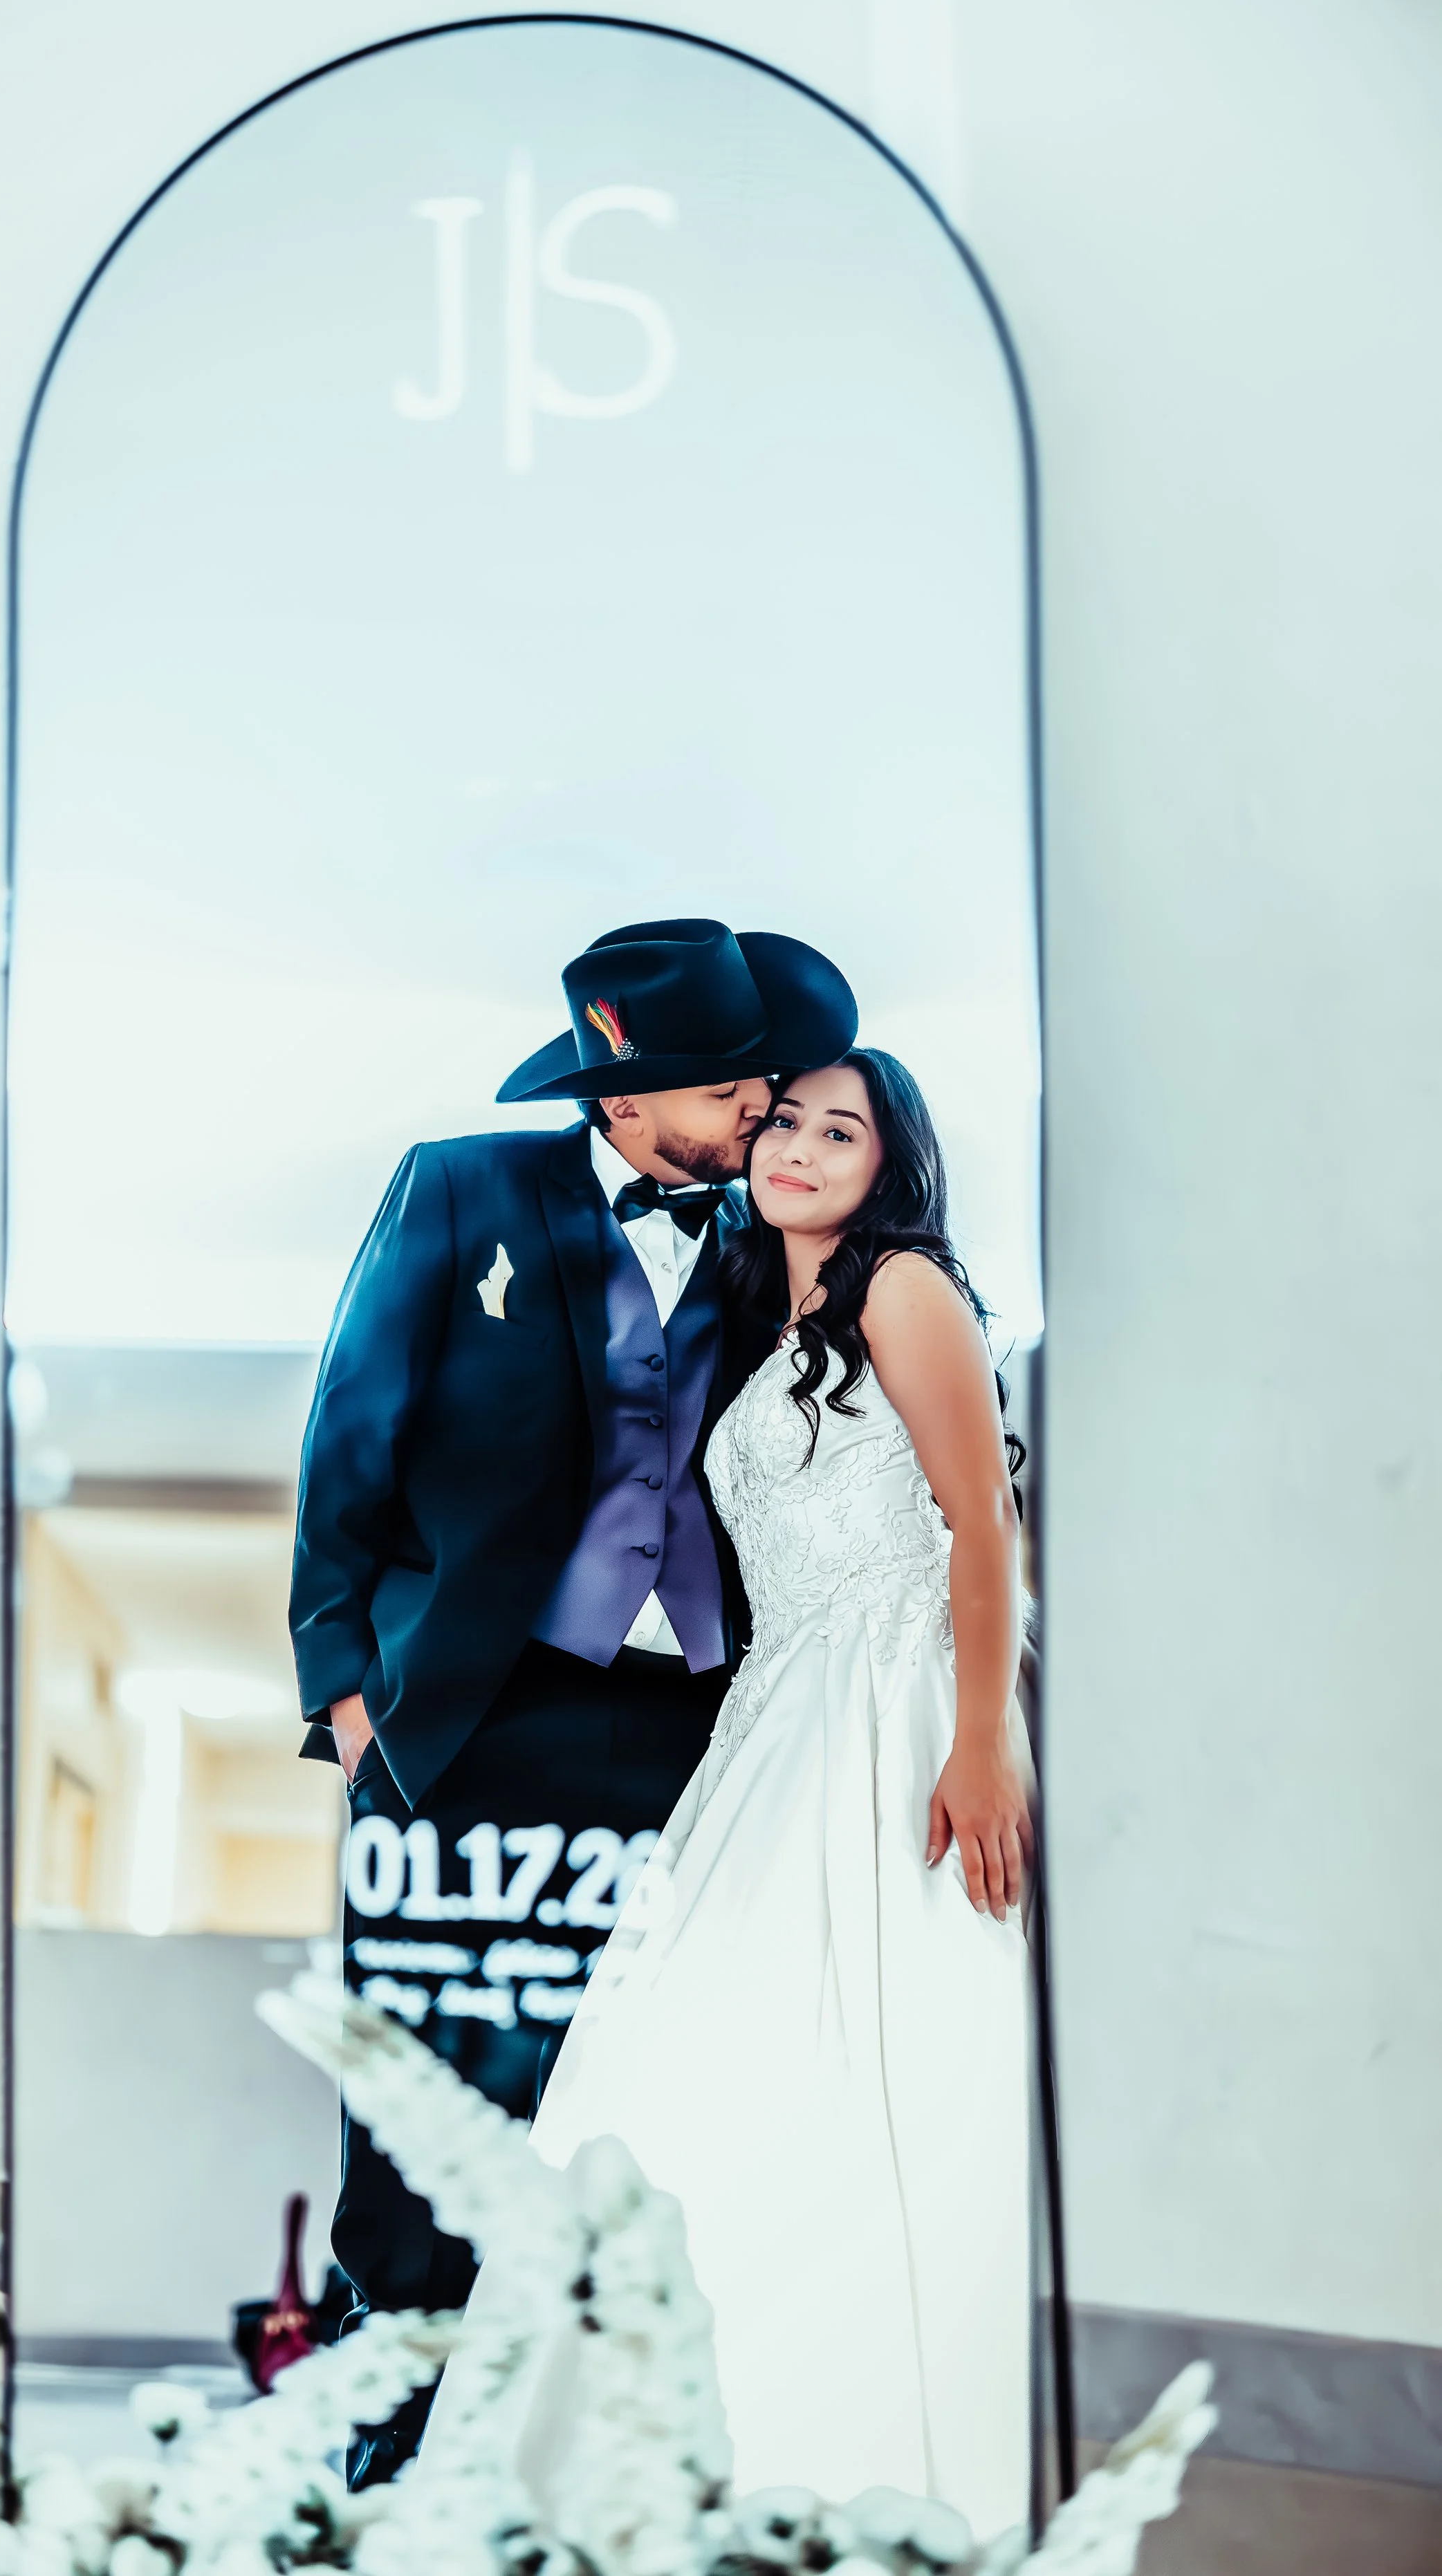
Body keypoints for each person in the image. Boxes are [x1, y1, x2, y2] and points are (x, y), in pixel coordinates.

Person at [430, 1046, 1034, 2541]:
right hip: (775, 1722)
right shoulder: (776, 1322)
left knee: (868, 2042)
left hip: (890, 1715)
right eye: (781, 1124)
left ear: (886, 1165)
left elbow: (981, 1524)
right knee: (697, 2065)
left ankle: (859, 2450)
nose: (800, 1150)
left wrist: (977, 1736)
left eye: (842, 1131)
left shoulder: (904, 1288)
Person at [288, 916, 858, 2484]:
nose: (759, 1099)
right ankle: (388, 2445)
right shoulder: (458, 1188)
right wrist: (344, 1691)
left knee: (630, 2090)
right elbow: (351, 1430)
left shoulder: (774, 1230)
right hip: (467, 1716)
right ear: (624, 1095)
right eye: (728, 1080)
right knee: (422, 2086)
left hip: (695, 1729)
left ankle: (580, 2448)